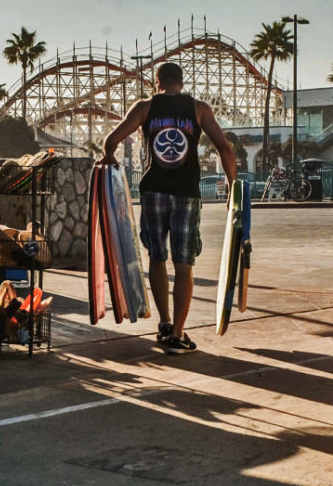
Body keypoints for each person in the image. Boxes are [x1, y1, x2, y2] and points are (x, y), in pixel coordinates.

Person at [99, 62, 237, 354]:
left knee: (157, 257)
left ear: (157, 81)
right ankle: (178, 332)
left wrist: (109, 161)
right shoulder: (199, 109)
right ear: (182, 83)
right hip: (186, 193)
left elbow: (109, 142)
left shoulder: (145, 107)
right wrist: (232, 187)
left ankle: (163, 322)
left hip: (153, 191)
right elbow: (225, 148)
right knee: (185, 264)